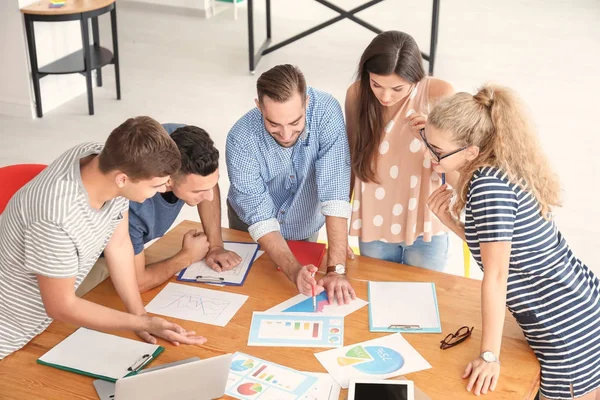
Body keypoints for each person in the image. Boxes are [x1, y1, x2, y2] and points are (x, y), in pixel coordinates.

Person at [423, 85, 600, 399]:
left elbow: (497, 274)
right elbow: (505, 249)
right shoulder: (493, 169)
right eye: (427, 141)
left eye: (436, 150)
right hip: (575, 302)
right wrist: (452, 223)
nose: (428, 155)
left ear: (470, 152)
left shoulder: (488, 188)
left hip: (565, 326)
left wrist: (489, 356)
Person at [0, 117, 207, 361]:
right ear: (122, 179)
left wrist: (141, 317)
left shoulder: (103, 159)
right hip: (10, 333)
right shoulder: (55, 219)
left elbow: (118, 244)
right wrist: (137, 322)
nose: (162, 191)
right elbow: (61, 306)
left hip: (40, 320)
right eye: (157, 185)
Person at [226, 64, 356, 305]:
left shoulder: (326, 112)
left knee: (292, 295)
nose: (286, 134)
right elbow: (260, 217)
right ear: (259, 107)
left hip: (304, 219)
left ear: (306, 102)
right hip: (251, 226)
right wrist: (292, 269)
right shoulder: (240, 139)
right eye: (274, 124)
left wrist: (336, 269)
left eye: (295, 122)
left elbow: (335, 192)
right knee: (250, 296)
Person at [77, 124, 242, 295]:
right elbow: (137, 283)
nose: (209, 196)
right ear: (167, 180)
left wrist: (215, 245)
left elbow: (206, 182)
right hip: (91, 260)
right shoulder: (132, 206)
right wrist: (186, 256)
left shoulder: (178, 140)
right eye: (198, 191)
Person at [346, 30, 454, 271]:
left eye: (398, 88)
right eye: (376, 84)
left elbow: (458, 163)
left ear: (415, 78)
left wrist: (434, 135)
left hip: (426, 223)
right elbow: (351, 158)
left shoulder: (440, 93)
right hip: (373, 222)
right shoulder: (357, 93)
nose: (385, 96)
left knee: (423, 297)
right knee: (375, 292)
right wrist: (338, 227)